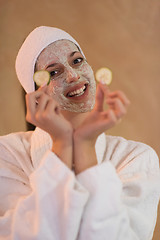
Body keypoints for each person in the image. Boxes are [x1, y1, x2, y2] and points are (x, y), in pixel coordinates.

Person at [0, 26, 159, 240]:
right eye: (53, 72)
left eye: (77, 60)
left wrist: (85, 145)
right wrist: (61, 145)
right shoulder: (7, 154)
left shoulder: (136, 157)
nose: (74, 75)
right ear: (34, 92)